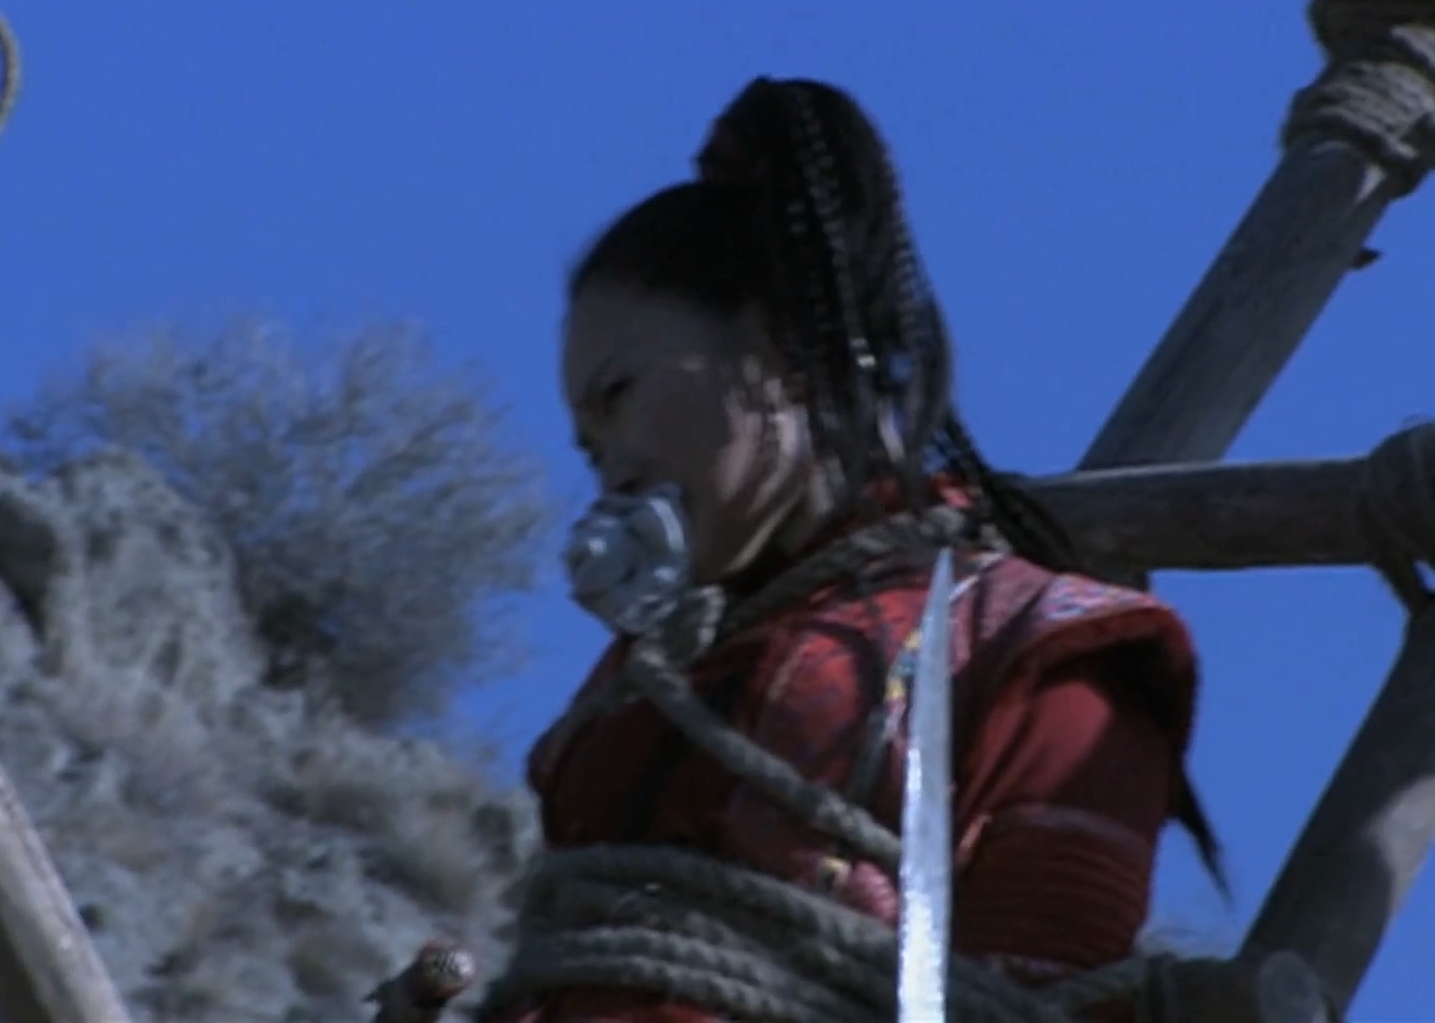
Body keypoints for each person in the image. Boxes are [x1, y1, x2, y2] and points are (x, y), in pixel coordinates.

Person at [479, 77, 1236, 1023]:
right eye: (588, 449)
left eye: (619, 397)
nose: (612, 472)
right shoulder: (642, 679)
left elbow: (1034, 997)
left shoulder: (1040, 656)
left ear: (783, 345)